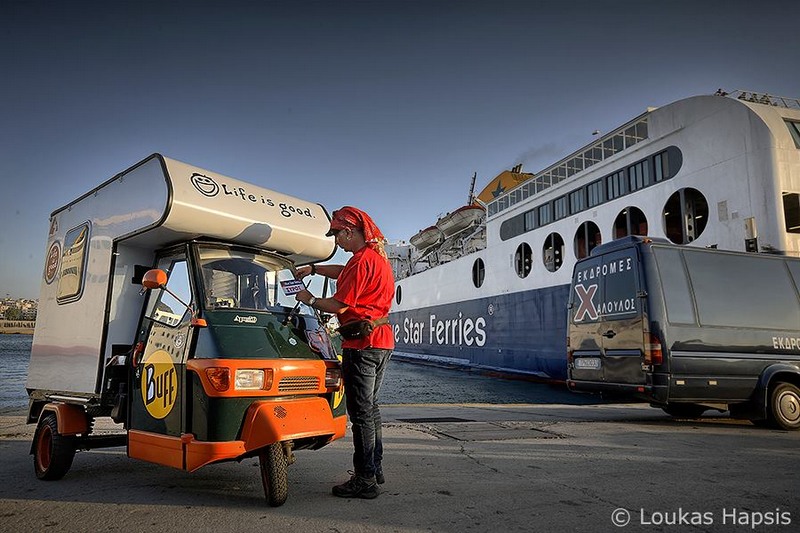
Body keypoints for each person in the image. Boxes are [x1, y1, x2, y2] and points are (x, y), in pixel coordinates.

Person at [294, 206, 395, 499]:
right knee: (371, 409)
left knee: (361, 414)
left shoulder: (361, 262)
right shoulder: (374, 258)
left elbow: (339, 305)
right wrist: (313, 269)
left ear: (349, 232)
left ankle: (364, 480)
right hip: (382, 341)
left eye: (337, 235)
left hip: (361, 346)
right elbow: (345, 273)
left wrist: (309, 298)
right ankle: (374, 468)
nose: (336, 241)